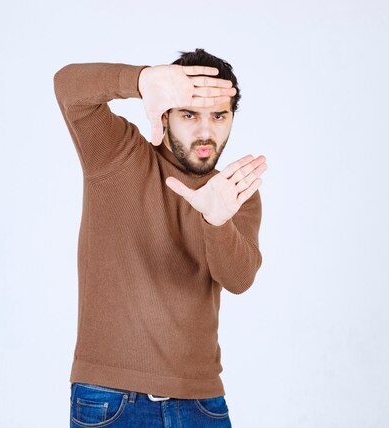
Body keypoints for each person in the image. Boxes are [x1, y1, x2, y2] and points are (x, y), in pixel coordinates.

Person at [53, 48, 267, 428]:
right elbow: (67, 86)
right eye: (190, 114)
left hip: (202, 403)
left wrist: (216, 221)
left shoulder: (233, 192)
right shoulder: (117, 153)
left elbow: (239, 278)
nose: (205, 132)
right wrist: (139, 80)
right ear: (165, 114)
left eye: (219, 116)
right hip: (111, 399)